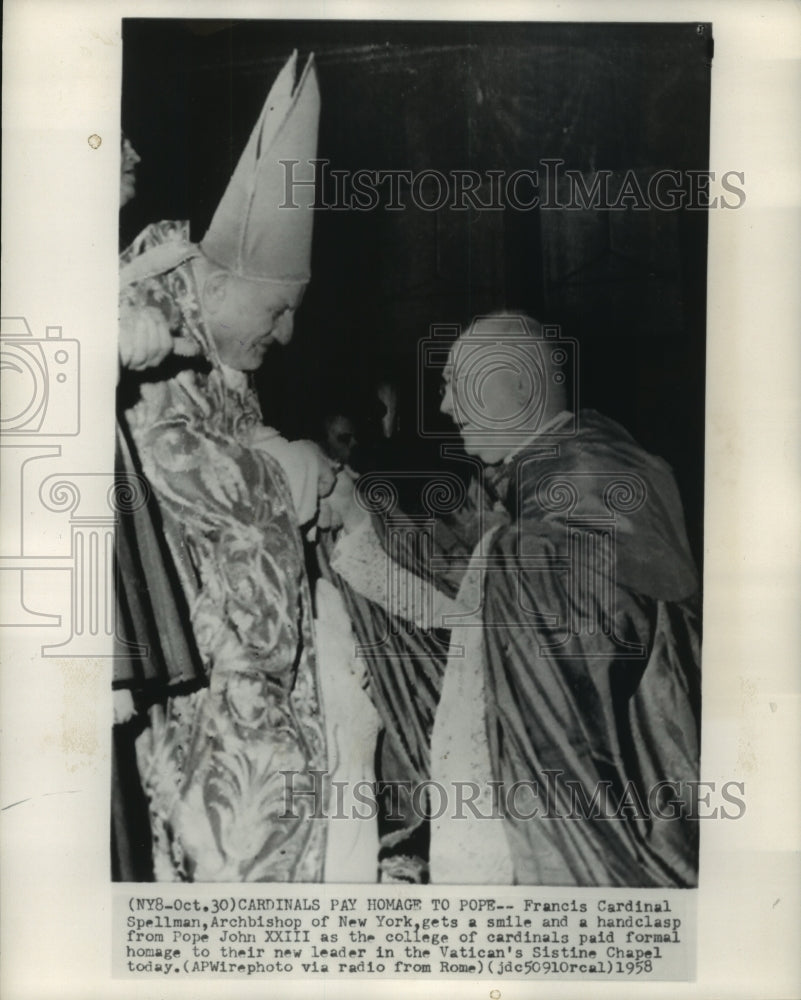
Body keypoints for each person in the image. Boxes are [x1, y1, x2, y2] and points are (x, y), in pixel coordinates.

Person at [117, 52, 379, 882]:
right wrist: (288, 469)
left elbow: (242, 443)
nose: (285, 333)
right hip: (193, 677)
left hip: (260, 671)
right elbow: (164, 463)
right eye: (276, 309)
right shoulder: (139, 321)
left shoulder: (226, 356)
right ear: (220, 286)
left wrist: (297, 467)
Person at [327, 313, 701, 887]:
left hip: (629, 803)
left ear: (520, 387)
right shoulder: (556, 464)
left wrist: (485, 554)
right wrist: (363, 517)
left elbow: (550, 602)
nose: (446, 406)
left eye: (457, 384)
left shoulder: (590, 474)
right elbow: (466, 567)